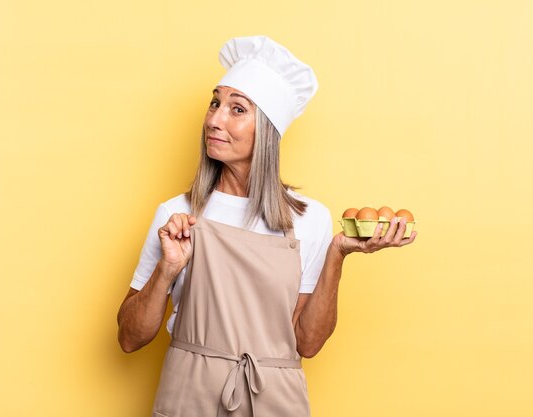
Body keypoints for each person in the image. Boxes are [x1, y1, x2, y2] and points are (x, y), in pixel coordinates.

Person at [117, 35, 417, 417]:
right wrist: (167, 269)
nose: (214, 119)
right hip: (187, 397)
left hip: (275, 401)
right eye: (215, 103)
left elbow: (306, 343)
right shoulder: (176, 215)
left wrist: (337, 254)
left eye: (236, 109)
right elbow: (129, 338)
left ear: (268, 130)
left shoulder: (311, 220)